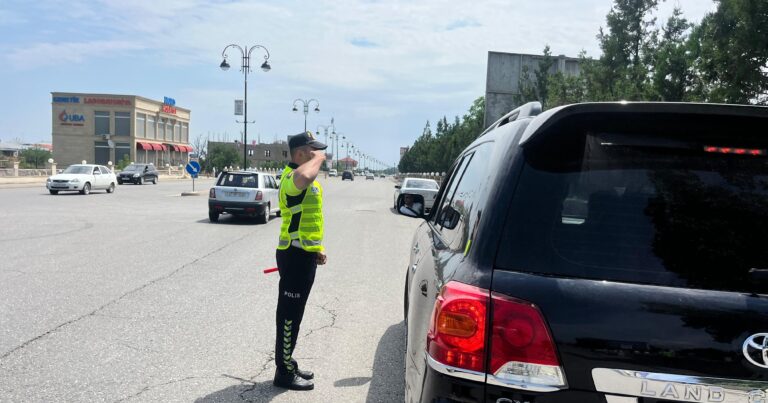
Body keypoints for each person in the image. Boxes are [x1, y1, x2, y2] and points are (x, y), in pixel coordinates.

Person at [273, 131, 328, 391]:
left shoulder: (303, 179)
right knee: (289, 316)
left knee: (296, 314)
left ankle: (288, 362)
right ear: (299, 154)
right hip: (294, 256)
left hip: (303, 253)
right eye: (312, 150)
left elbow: (308, 218)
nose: (317, 153)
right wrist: (320, 159)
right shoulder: (292, 178)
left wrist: (316, 249)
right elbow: (304, 176)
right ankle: (283, 372)